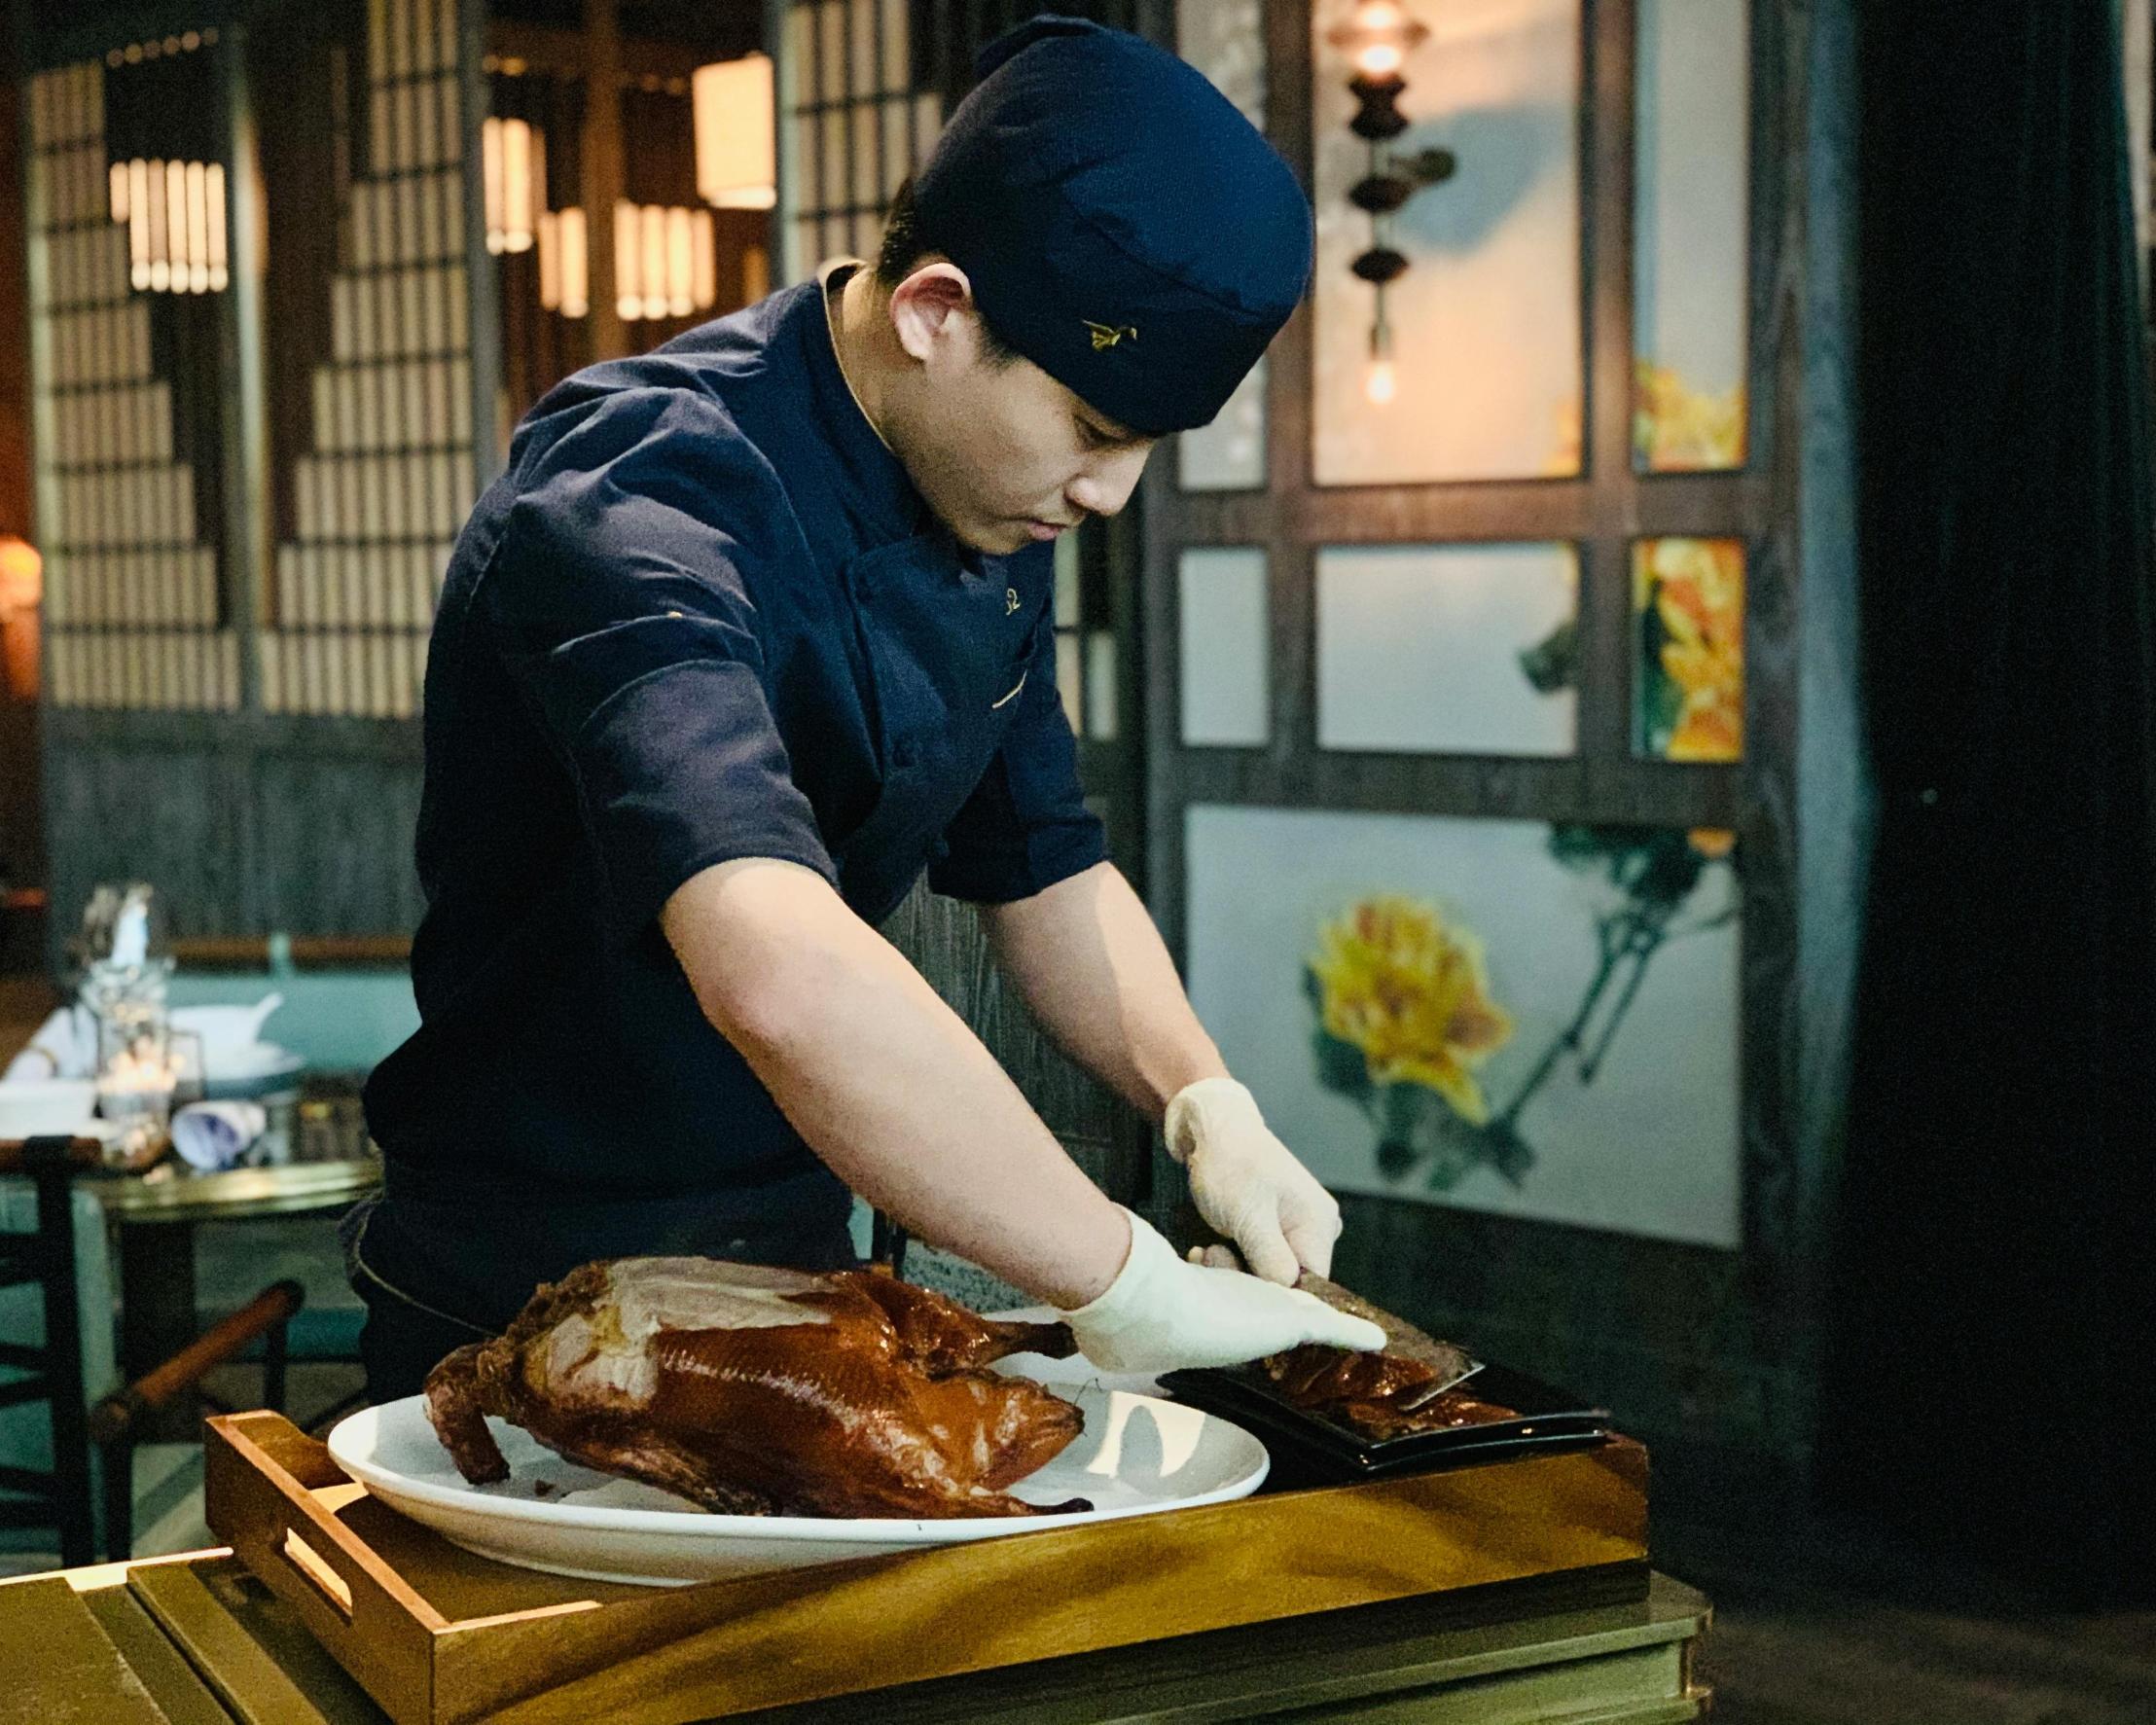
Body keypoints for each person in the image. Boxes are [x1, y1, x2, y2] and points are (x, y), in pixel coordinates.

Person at [344, 15, 1385, 1400]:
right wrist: (1119, 1275)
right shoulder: (640, 497)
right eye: (1093, 431)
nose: (1108, 495)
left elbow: (1046, 865)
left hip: (793, 1256)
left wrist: (1206, 1105)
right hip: (525, 1284)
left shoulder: (981, 507)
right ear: (936, 313)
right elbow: (774, 965)